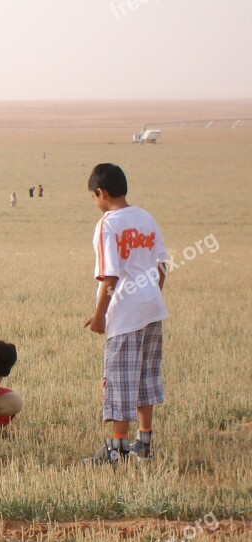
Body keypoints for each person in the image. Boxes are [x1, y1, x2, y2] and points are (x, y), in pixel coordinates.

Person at [82, 163, 168, 465]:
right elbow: (161, 267)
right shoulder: (146, 217)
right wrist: (150, 295)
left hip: (126, 314)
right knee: (145, 378)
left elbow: (110, 276)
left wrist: (99, 316)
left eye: (94, 197)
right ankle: (144, 445)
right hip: (152, 308)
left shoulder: (108, 224)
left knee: (119, 380)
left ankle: (116, 450)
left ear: (101, 193)